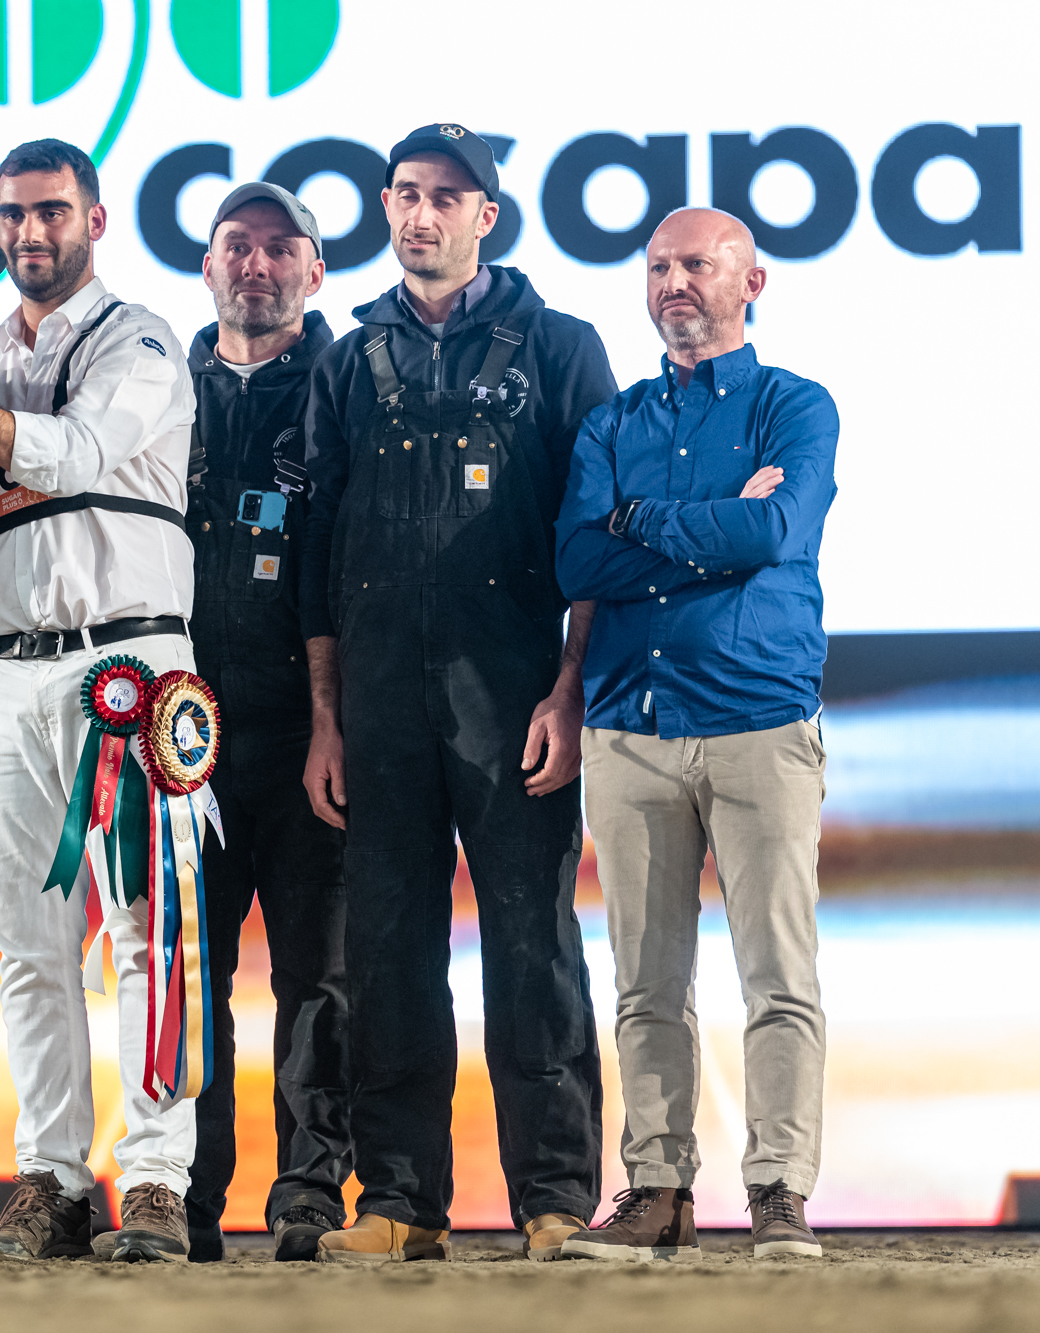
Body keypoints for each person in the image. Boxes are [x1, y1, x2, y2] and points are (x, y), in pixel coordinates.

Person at [298, 123, 618, 1263]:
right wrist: (325, 717)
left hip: (514, 696)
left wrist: (569, 690)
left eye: (445, 196)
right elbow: (317, 552)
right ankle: (398, 1201)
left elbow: (597, 539)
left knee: (532, 946)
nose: (420, 214)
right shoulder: (347, 360)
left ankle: (554, 1201)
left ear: (487, 214)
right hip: (378, 704)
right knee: (386, 950)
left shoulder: (563, 348)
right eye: (403, 193)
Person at [0, 139, 199, 1262]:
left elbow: (76, 453)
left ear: (95, 220)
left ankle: (155, 1180)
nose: (29, 233)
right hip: (2, 670)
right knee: (26, 942)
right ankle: (54, 1181)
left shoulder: (140, 341)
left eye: (51, 211)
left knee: (149, 932)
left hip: (129, 668)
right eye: (13, 214)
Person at [554, 208, 837, 1263]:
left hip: (759, 720)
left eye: (697, 265)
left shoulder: (794, 407)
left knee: (778, 975)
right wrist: (710, 526)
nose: (673, 282)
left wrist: (639, 521)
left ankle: (778, 1193)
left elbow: (775, 528)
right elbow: (578, 562)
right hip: (630, 725)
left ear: (750, 282)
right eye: (658, 267)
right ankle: (656, 1190)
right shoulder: (611, 424)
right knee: (644, 983)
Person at [180, 182, 351, 1263]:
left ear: (313, 272)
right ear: (206, 266)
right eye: (236, 246)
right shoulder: (156, 384)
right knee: (187, 977)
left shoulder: (352, 384)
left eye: (280, 248)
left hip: (308, 733)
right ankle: (185, 1193)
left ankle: (308, 1191)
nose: (256, 264)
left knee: (318, 978)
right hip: (177, 736)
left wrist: (340, 717)